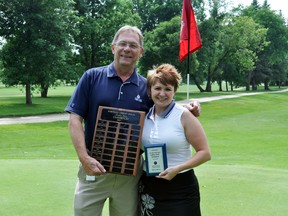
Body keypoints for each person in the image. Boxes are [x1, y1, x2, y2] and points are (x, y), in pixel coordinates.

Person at [65, 25, 201, 216]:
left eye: (133, 45)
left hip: (130, 175)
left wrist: (190, 107)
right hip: (93, 169)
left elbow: (166, 105)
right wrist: (84, 158)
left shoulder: (147, 86)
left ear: (140, 52)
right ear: (113, 47)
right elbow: (75, 118)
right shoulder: (92, 77)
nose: (127, 49)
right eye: (122, 44)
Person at [139, 63, 211, 216]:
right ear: (150, 90)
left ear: (174, 91)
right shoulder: (144, 116)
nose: (162, 94)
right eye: (158, 88)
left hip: (180, 186)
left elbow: (205, 153)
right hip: (150, 185)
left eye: (168, 89)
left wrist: (177, 169)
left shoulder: (184, 115)